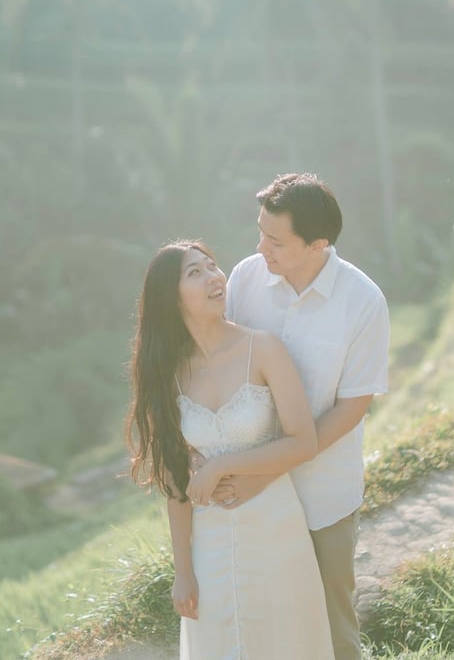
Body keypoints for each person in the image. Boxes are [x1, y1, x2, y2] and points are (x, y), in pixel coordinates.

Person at [126, 239, 334, 660]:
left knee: (287, 644)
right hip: (209, 545)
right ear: (172, 297)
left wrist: (221, 466)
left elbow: (303, 441)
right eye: (195, 272)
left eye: (212, 266)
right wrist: (182, 573)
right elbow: (175, 482)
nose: (214, 277)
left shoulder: (263, 348)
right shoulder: (168, 375)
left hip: (275, 528)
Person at [223, 173, 390, 660]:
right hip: (248, 491)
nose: (261, 247)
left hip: (322, 497)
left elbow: (352, 408)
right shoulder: (246, 278)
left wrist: (270, 469)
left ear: (318, 244)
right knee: (261, 621)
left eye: (275, 240)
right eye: (260, 232)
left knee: (332, 628)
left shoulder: (363, 302)